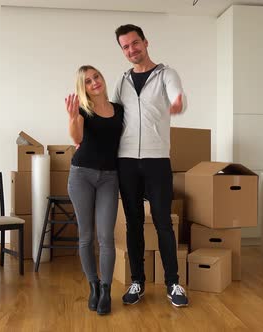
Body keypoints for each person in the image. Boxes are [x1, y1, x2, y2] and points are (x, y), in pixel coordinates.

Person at [111, 24, 188, 307]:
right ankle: (137, 282)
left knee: (163, 222)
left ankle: (173, 283)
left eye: (135, 43)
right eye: (126, 47)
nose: (132, 50)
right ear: (123, 50)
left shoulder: (167, 74)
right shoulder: (122, 81)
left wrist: (178, 102)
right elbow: (112, 116)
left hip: (157, 160)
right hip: (127, 160)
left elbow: (177, 94)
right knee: (133, 223)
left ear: (145, 42)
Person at [65, 65, 124, 315]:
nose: (94, 83)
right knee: (86, 236)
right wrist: (72, 117)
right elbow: (76, 138)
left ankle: (107, 290)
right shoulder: (82, 109)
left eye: (96, 77)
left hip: (109, 178)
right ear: (84, 87)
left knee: (106, 237)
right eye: (88, 81)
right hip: (81, 176)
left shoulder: (119, 110)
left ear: (102, 78)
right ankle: (94, 286)